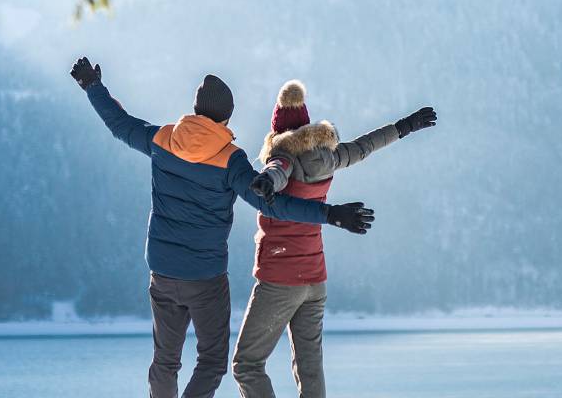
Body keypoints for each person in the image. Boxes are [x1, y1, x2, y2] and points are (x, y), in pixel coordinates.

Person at [69, 58, 377, 398]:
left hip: (163, 272)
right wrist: (331, 214)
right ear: (226, 118)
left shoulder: (161, 139)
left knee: (165, 360)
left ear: (196, 111)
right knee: (214, 361)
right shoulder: (231, 159)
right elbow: (271, 202)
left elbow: (119, 124)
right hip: (206, 278)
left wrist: (93, 87)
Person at [232, 79, 436, 398]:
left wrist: (267, 181)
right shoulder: (331, 157)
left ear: (278, 133)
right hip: (315, 281)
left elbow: (278, 168)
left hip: (281, 278)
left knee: (246, 364)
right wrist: (405, 126)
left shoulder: (283, 156)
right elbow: (365, 146)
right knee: (310, 371)